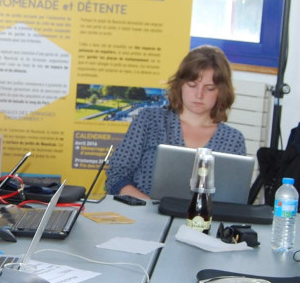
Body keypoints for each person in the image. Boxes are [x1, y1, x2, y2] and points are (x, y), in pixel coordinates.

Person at [105, 45, 247, 200]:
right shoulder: (149, 120)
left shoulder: (233, 140)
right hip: (142, 216)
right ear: (180, 85)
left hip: (204, 222)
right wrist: (151, 207)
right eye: (192, 85)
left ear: (222, 92)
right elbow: (116, 177)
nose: (199, 95)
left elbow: (234, 198)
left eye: (210, 88)